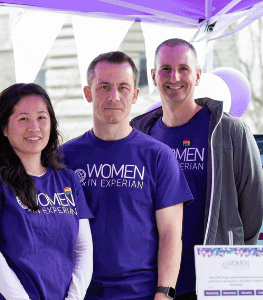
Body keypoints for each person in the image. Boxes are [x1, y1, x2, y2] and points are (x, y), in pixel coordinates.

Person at [131, 38, 263, 300]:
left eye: (183, 68)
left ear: (198, 75)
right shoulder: (140, 134)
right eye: (166, 69)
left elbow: (253, 210)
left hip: (215, 281)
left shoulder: (230, 131)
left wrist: (228, 255)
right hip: (154, 284)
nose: (175, 77)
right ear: (153, 75)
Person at [61, 51, 192, 300]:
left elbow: (171, 234)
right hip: (79, 293)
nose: (114, 96)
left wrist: (164, 294)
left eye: (123, 87)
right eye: (104, 87)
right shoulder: (64, 158)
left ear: (135, 95)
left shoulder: (159, 157)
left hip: (141, 293)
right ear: (88, 93)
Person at [0, 83, 94, 300]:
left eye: (42, 118)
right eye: (23, 118)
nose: (34, 127)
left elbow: (83, 250)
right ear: (5, 128)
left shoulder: (68, 179)